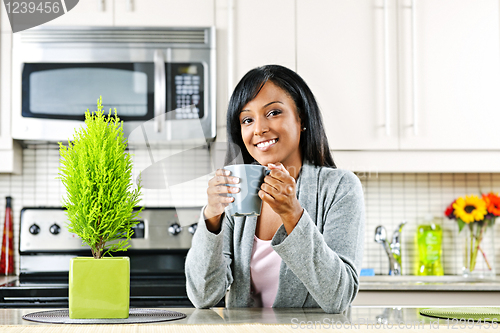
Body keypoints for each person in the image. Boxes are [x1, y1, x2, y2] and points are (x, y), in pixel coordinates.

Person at [185, 65, 365, 314]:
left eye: (273, 113)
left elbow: (338, 297)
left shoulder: (340, 188)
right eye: (247, 119)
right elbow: (203, 296)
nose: (258, 129)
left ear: (301, 119)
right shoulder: (238, 191)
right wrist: (211, 218)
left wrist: (293, 215)